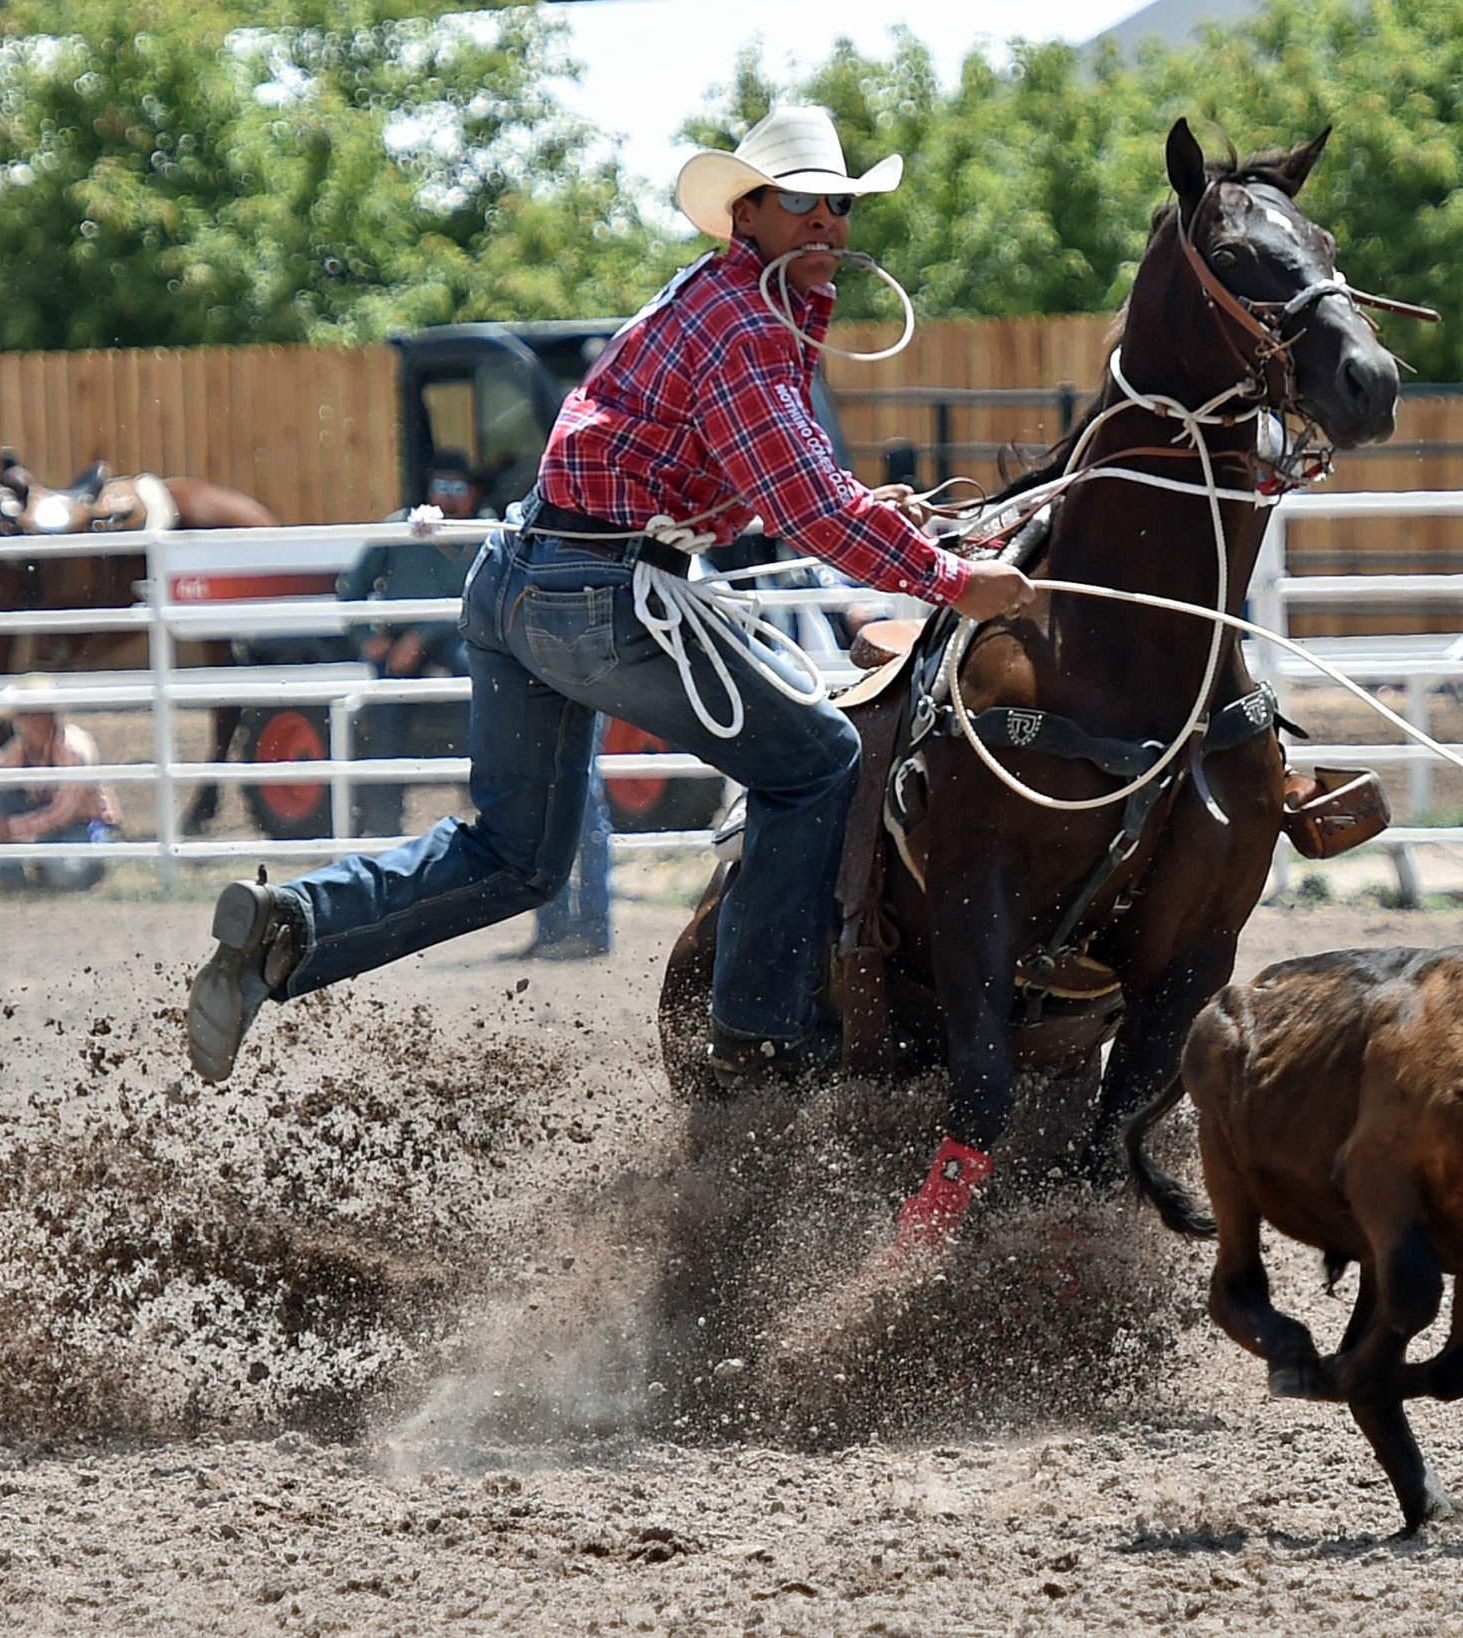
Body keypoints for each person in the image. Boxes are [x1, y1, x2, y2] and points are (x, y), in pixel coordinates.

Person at [186, 107, 1035, 1160]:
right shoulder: (748, 327)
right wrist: (956, 582)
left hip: (523, 579)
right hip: (596, 594)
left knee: (516, 855)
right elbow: (808, 511)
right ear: (749, 212)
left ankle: (293, 926)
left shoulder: (720, 301)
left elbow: (779, 482)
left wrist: (874, 514)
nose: (827, 218)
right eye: (803, 200)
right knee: (816, 761)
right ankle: (760, 1038)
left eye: (840, 202)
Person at [339, 451, 490, 835]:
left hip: (455, 635)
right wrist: (366, 638)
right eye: (442, 487)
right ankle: (383, 822)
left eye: (458, 489)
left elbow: (474, 598)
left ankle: (480, 799)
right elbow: (350, 588)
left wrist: (420, 637)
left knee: (477, 680)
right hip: (396, 640)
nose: (449, 497)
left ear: (473, 494)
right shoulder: (400, 528)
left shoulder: (484, 533)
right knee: (388, 709)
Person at [0, 675, 122, 892]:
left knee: (67, 877)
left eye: (40, 711)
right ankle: (8, 874)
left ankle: (84, 864)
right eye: (25, 713)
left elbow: (63, 813)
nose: (34, 720)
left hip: (83, 824)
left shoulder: (73, 748)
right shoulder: (21, 748)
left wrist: (8, 829)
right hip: (47, 821)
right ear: (17, 719)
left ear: (52, 714)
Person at [523, 714, 613, 960]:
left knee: (578, 816)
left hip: (569, 702)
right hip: (564, 700)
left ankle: (585, 930)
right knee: (559, 812)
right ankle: (561, 929)